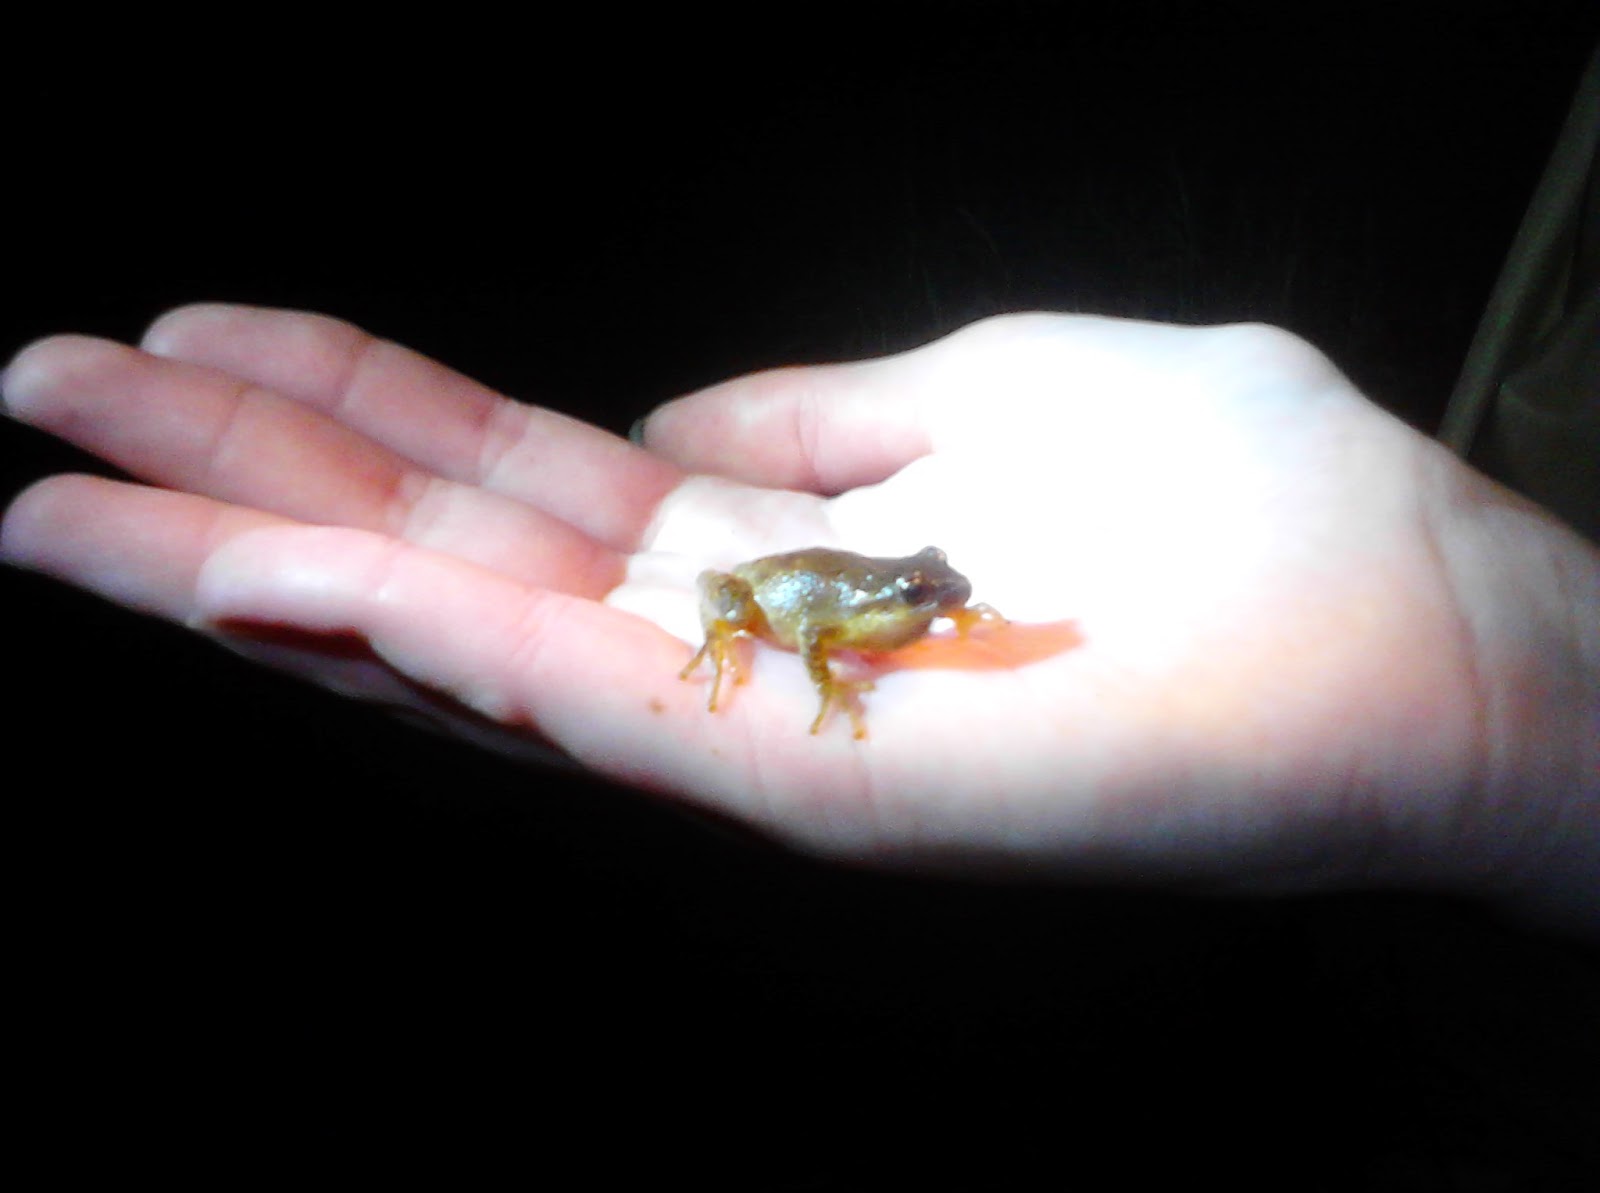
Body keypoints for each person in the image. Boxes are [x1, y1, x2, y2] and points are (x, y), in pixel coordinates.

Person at [3, 302, 1595, 933]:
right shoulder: (856, 620)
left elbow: (910, 611)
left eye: (936, 595)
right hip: (759, 594)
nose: (942, 606)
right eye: (934, 594)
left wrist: (1484, 657)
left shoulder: (922, 611)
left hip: (805, 589)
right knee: (747, 621)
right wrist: (793, 662)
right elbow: (816, 627)